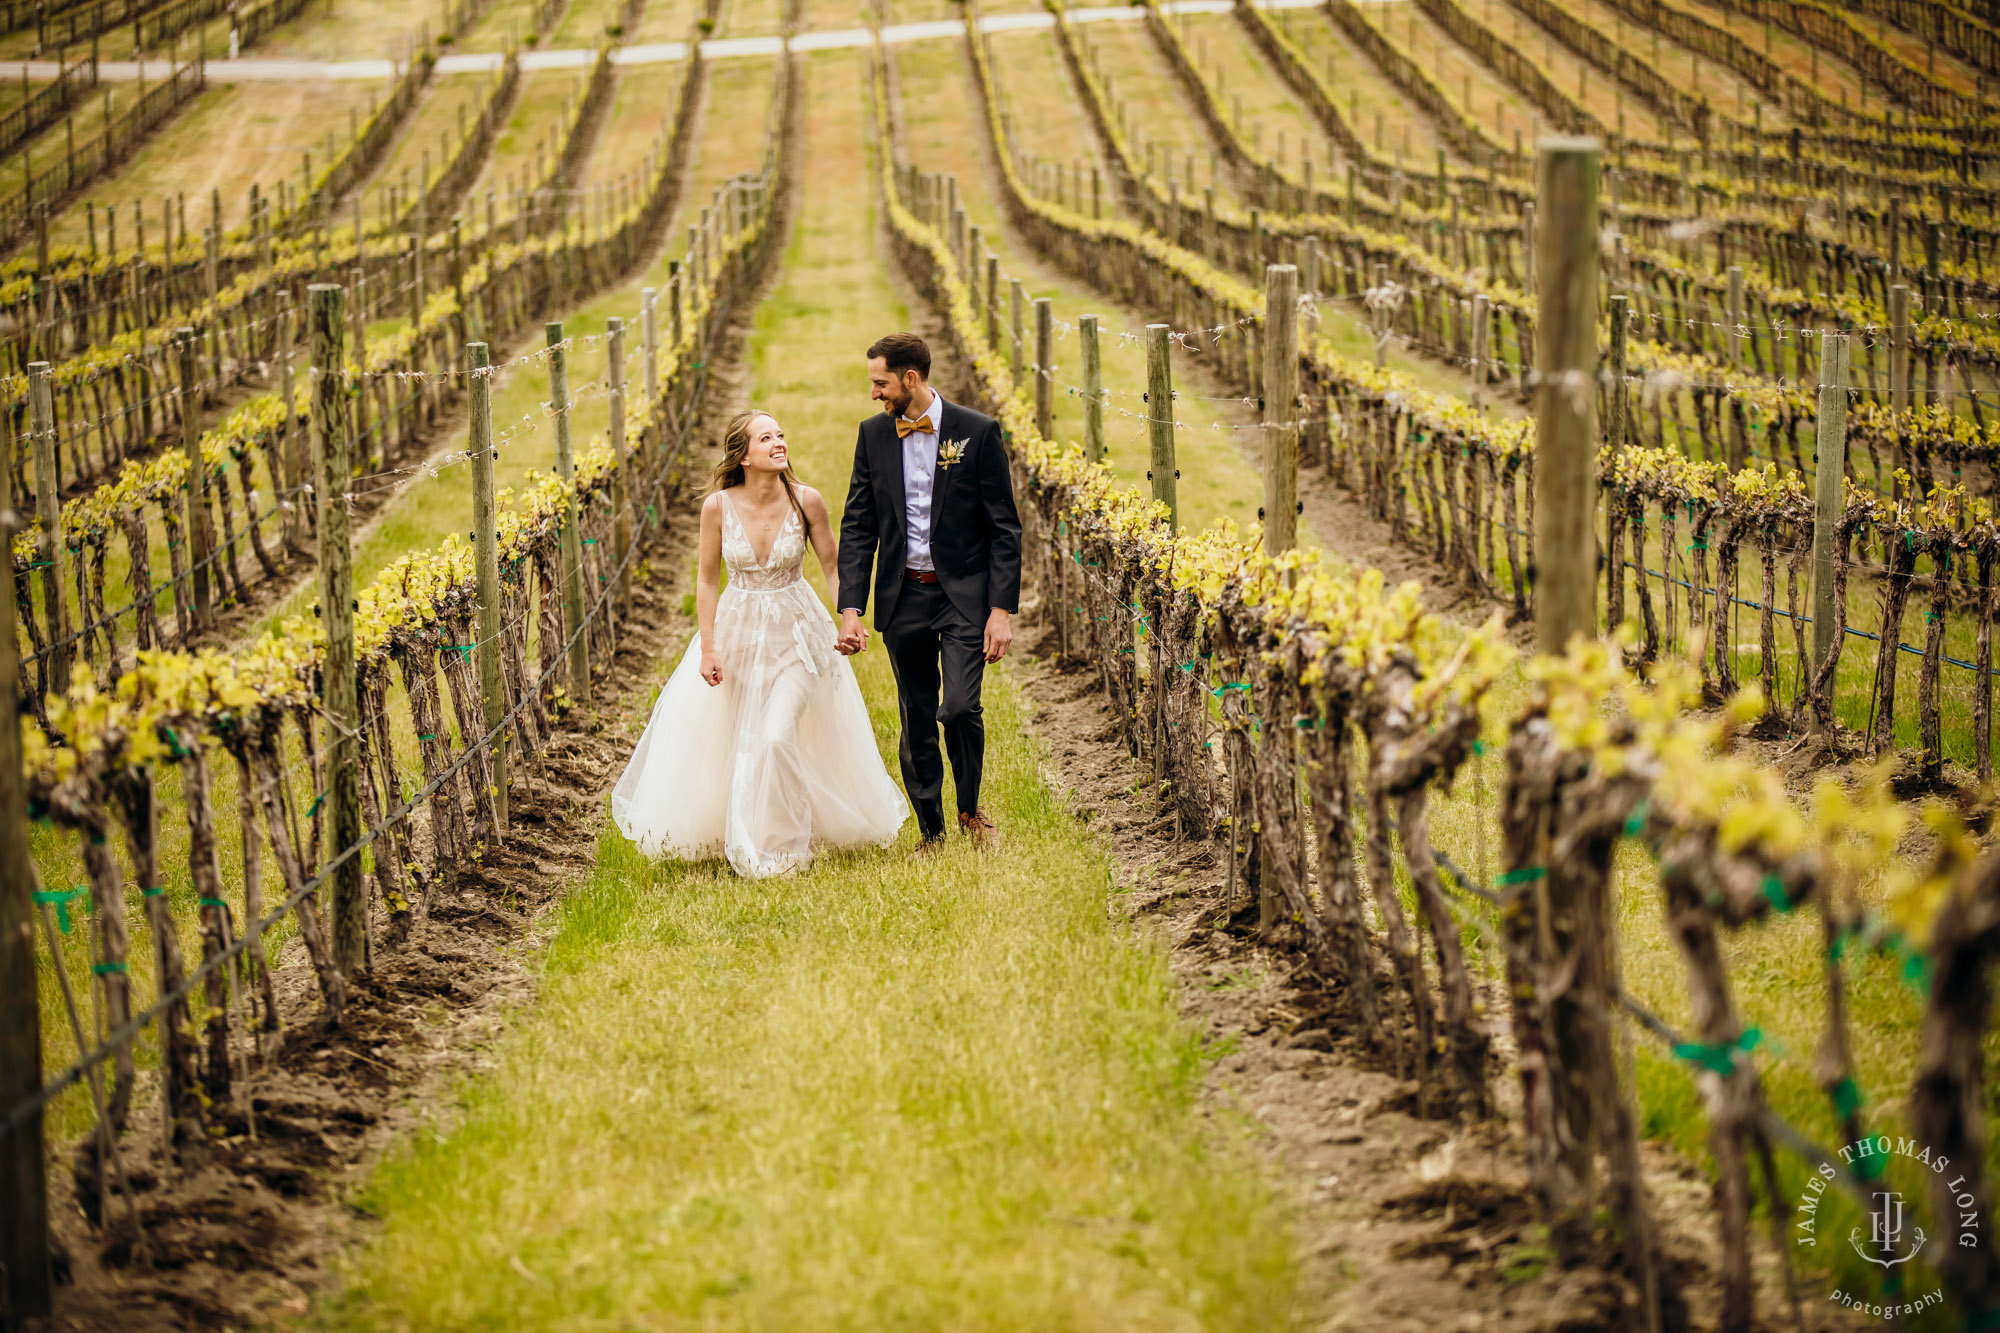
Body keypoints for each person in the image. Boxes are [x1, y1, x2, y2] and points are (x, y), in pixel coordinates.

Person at [611, 409, 908, 878]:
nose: (778, 443)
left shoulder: (807, 501)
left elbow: (833, 568)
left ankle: (781, 846)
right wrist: (709, 648)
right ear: (743, 456)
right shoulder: (717, 507)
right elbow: (707, 581)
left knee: (774, 735)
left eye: (781, 435)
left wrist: (848, 617)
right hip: (738, 636)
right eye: (765, 437)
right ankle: (745, 827)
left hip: (797, 635)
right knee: (744, 740)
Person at [836, 332, 1022, 856]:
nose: (874, 393)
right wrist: (851, 606)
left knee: (960, 707)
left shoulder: (977, 433)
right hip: (903, 596)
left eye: (881, 383)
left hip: (963, 595)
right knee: (916, 714)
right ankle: (931, 831)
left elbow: (1004, 528)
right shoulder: (872, 436)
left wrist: (1000, 610)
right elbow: (858, 525)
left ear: (910, 379)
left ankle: (969, 809)